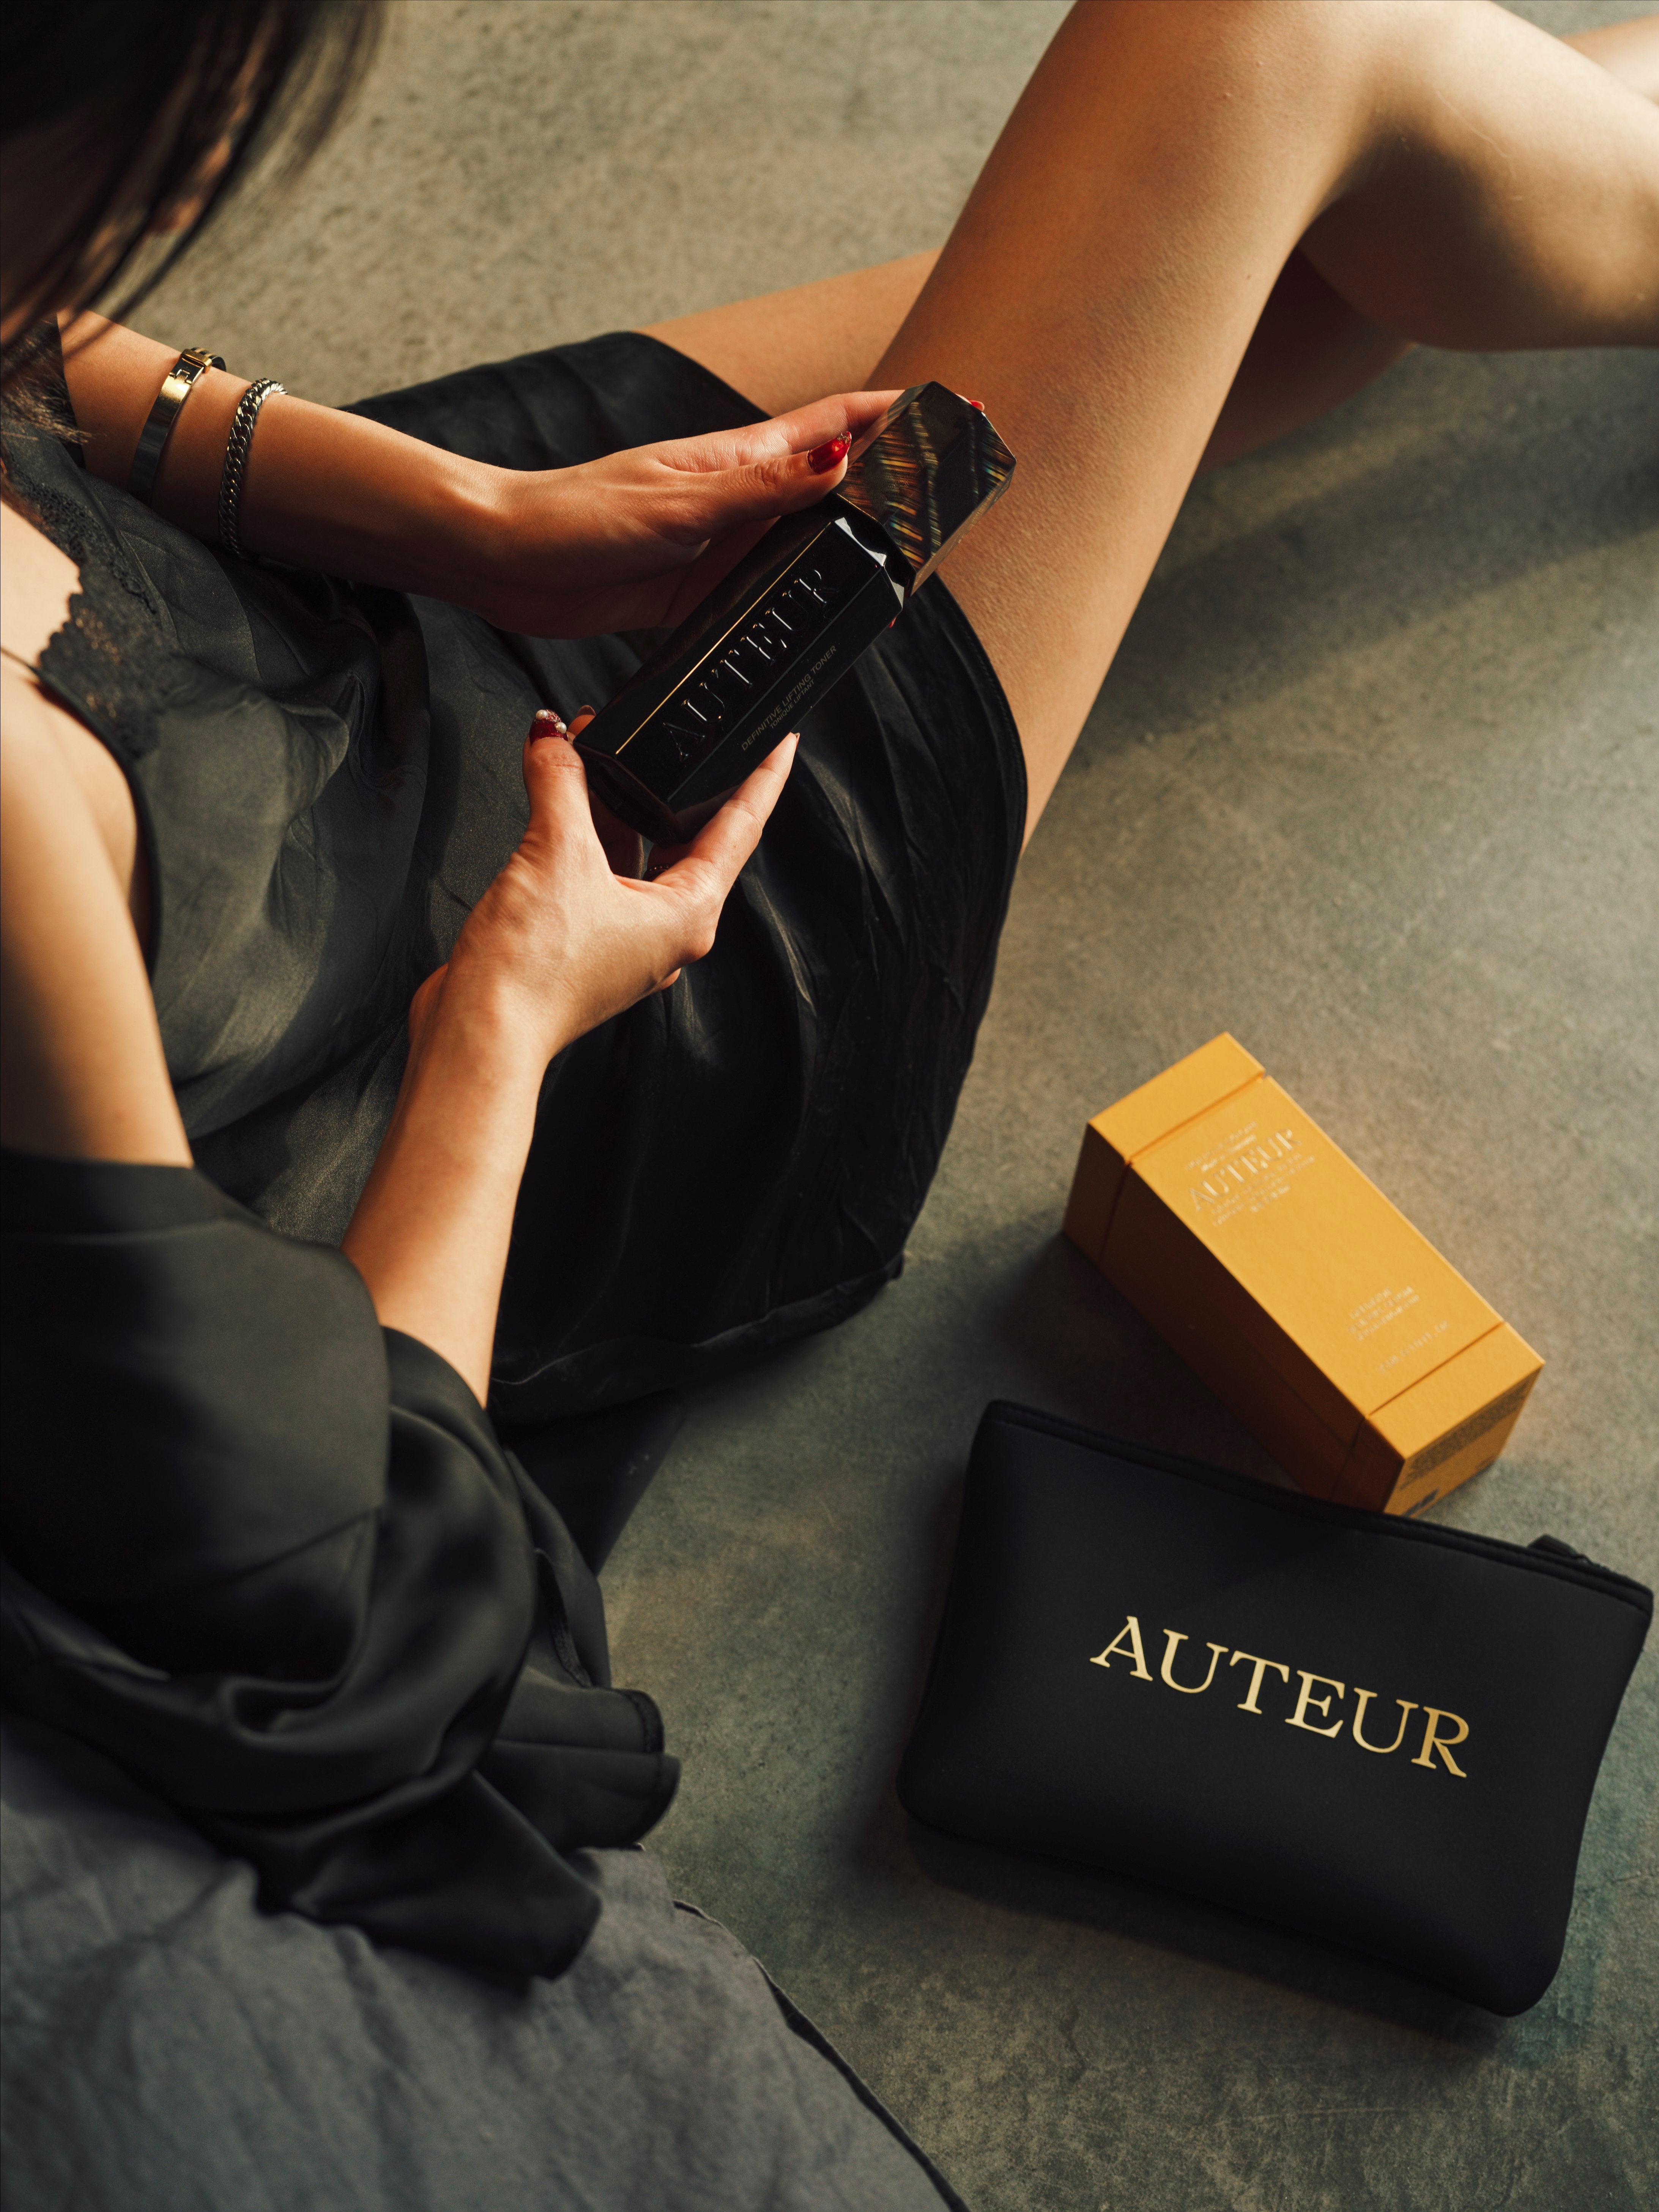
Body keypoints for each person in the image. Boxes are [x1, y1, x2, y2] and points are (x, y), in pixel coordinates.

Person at [1, 0, 1656, 2196]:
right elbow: (361, 1630)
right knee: (1257, 67)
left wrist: (473, 514)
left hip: (323, 613)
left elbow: (42, 355)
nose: (197, 189)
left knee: (1251, 253)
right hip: (504, 1060)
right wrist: (507, 1013)